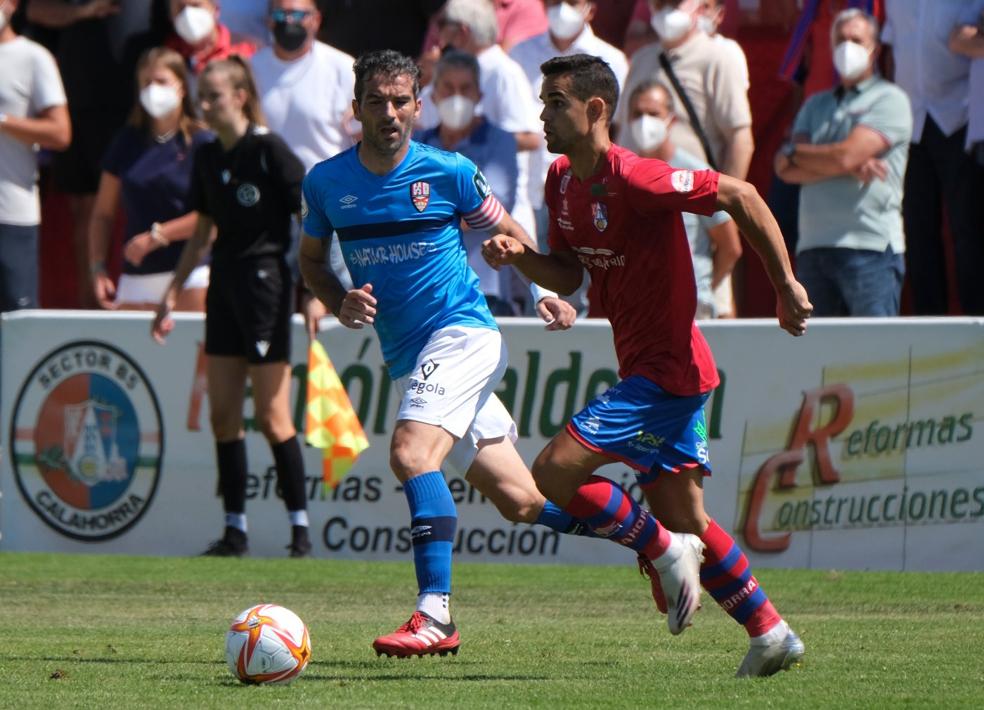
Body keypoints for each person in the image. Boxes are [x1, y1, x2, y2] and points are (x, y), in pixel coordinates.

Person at [483, 54, 812, 677]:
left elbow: (740, 193)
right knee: (687, 517)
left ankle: (663, 551)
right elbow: (569, 274)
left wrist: (784, 284)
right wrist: (519, 256)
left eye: (555, 102)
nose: (543, 114)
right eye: (543, 102)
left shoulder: (637, 177)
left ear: (595, 109)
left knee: (552, 472)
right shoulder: (561, 180)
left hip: (667, 372)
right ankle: (771, 632)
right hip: (662, 370)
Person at [298, 50, 591, 659]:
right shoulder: (325, 183)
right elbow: (311, 262)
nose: (388, 113)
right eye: (375, 101)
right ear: (355, 110)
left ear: (416, 107)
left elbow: (507, 231)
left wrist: (545, 292)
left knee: (410, 452)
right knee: (521, 501)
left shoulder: (449, 172)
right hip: (409, 356)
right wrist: (338, 299)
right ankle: (655, 543)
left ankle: (435, 614)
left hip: (463, 334)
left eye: (399, 101)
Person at [151, 56, 312, 558]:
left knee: (272, 416)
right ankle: (234, 530)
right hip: (222, 287)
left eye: (215, 95)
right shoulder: (206, 155)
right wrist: (173, 290)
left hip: (266, 287)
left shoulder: (269, 150)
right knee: (223, 415)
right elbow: (203, 231)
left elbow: (310, 215)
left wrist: (313, 288)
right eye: (202, 95)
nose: (205, 104)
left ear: (240, 97)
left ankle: (300, 530)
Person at [26, 0, 171, 308]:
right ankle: (92, 310)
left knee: (144, 205)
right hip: (80, 108)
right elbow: (33, 9)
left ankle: (145, 305)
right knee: (87, 211)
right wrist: (84, 10)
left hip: (141, 112)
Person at [615, 0, 754, 318]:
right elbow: (623, 135)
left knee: (714, 316)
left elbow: (740, 139)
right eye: (659, 2)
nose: (666, 8)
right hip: (644, 209)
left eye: (675, 2)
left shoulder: (719, 56)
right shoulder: (642, 59)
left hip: (702, 213)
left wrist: (724, 209)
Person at [775, 9, 910, 317]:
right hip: (812, 250)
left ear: (875, 49)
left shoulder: (890, 99)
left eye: (856, 40)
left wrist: (804, 155)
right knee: (815, 347)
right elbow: (783, 166)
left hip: (871, 249)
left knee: (873, 347)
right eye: (840, 40)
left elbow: (841, 155)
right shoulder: (815, 104)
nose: (847, 47)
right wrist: (849, 165)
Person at [251, 0, 357, 312]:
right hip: (268, 208)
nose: (290, 22)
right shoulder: (250, 69)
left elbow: (361, 136)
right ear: (269, 21)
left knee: (338, 303)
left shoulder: (343, 68)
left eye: (299, 14)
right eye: (281, 14)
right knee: (269, 307)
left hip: (328, 205)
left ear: (316, 20)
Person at [89, 47, 212, 311]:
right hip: (137, 276)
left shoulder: (202, 142)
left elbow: (215, 215)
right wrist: (98, 267)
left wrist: (159, 235)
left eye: (161, 81)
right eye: (146, 83)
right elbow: (102, 214)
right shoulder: (126, 141)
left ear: (182, 87)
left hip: (191, 274)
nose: (153, 89)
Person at [882, 0, 984, 315]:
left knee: (968, 229)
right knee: (917, 230)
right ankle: (929, 323)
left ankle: (976, 322)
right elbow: (891, 50)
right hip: (910, 121)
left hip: (959, 116)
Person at [623, 80, 741, 319]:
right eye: (637, 114)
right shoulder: (623, 175)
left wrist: (702, 289)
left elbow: (730, 247)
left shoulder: (695, 173)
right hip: (642, 307)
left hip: (691, 308)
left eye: (653, 114)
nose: (644, 122)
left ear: (671, 120)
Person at [416, 50, 521, 315]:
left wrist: (427, 215)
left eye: (465, 89)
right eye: (448, 88)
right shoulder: (417, 145)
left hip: (485, 288)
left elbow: (495, 205)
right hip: (427, 286)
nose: (457, 96)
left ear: (479, 95)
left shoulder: (500, 142)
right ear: (433, 95)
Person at [0, 0, 70, 311]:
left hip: (11, 215)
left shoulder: (33, 57)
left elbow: (60, 132)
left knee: (18, 326)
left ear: (12, 4)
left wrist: (3, 121)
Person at [165, 0, 255, 79]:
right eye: (180, 8)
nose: (188, 14)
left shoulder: (245, 51)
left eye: (196, 5)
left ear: (216, 8)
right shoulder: (166, 59)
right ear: (171, 16)